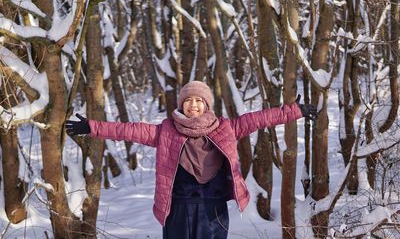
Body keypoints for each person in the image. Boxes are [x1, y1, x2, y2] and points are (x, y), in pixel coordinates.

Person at [65, 81, 317, 239]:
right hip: (178, 208)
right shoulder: (166, 131)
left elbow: (259, 119)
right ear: (182, 104)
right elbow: (128, 130)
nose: (193, 105)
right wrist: (92, 127)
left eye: (198, 101)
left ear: (206, 105)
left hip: (213, 208)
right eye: (188, 100)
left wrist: (294, 111)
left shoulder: (225, 128)